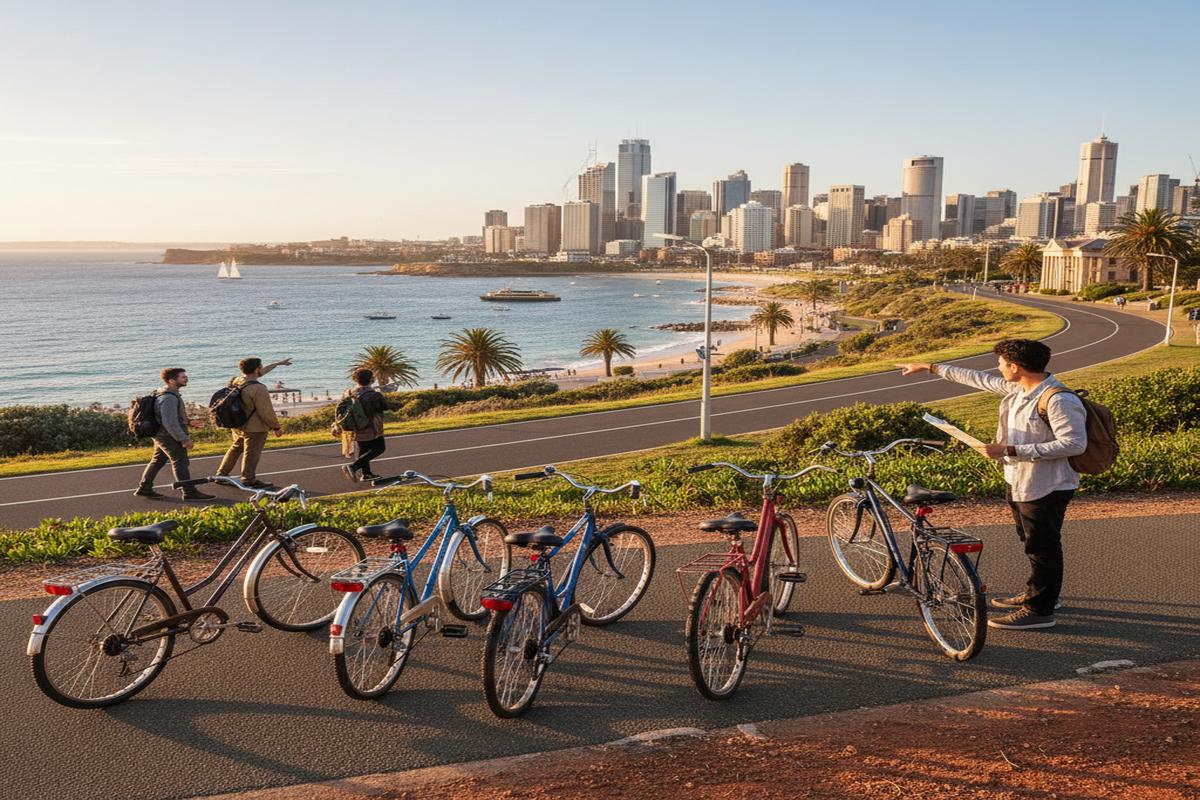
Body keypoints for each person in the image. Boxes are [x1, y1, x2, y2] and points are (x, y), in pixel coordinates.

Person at [897, 339, 1087, 631]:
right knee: (1031, 541)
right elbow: (977, 379)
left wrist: (1010, 450)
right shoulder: (1018, 388)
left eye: (1000, 363)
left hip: (1047, 485)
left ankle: (1040, 610)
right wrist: (930, 367)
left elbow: (1074, 444)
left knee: (1043, 547)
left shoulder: (1059, 399)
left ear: (1016, 366)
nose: (996, 368)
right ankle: (1038, 592)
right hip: (1019, 480)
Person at [135, 368, 214, 501]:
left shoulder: (165, 393)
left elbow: (169, 418)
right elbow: (169, 422)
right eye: (182, 377)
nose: (186, 378)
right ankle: (189, 491)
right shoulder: (168, 398)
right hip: (168, 436)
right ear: (172, 380)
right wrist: (183, 439)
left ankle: (144, 488)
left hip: (161, 434)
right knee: (180, 462)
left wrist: (188, 422)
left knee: (158, 460)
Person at [216, 357, 291, 487]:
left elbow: (259, 373)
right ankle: (248, 479)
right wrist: (276, 427)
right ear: (257, 369)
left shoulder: (238, 380)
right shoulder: (259, 388)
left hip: (238, 424)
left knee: (235, 449)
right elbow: (266, 411)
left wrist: (277, 364)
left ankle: (221, 474)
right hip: (255, 427)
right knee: (252, 454)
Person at [341, 368, 389, 482]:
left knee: (364, 449)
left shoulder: (348, 393)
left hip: (356, 427)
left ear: (355, 380)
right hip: (372, 427)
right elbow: (385, 406)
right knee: (379, 448)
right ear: (371, 380)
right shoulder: (374, 395)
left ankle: (366, 474)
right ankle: (353, 466)